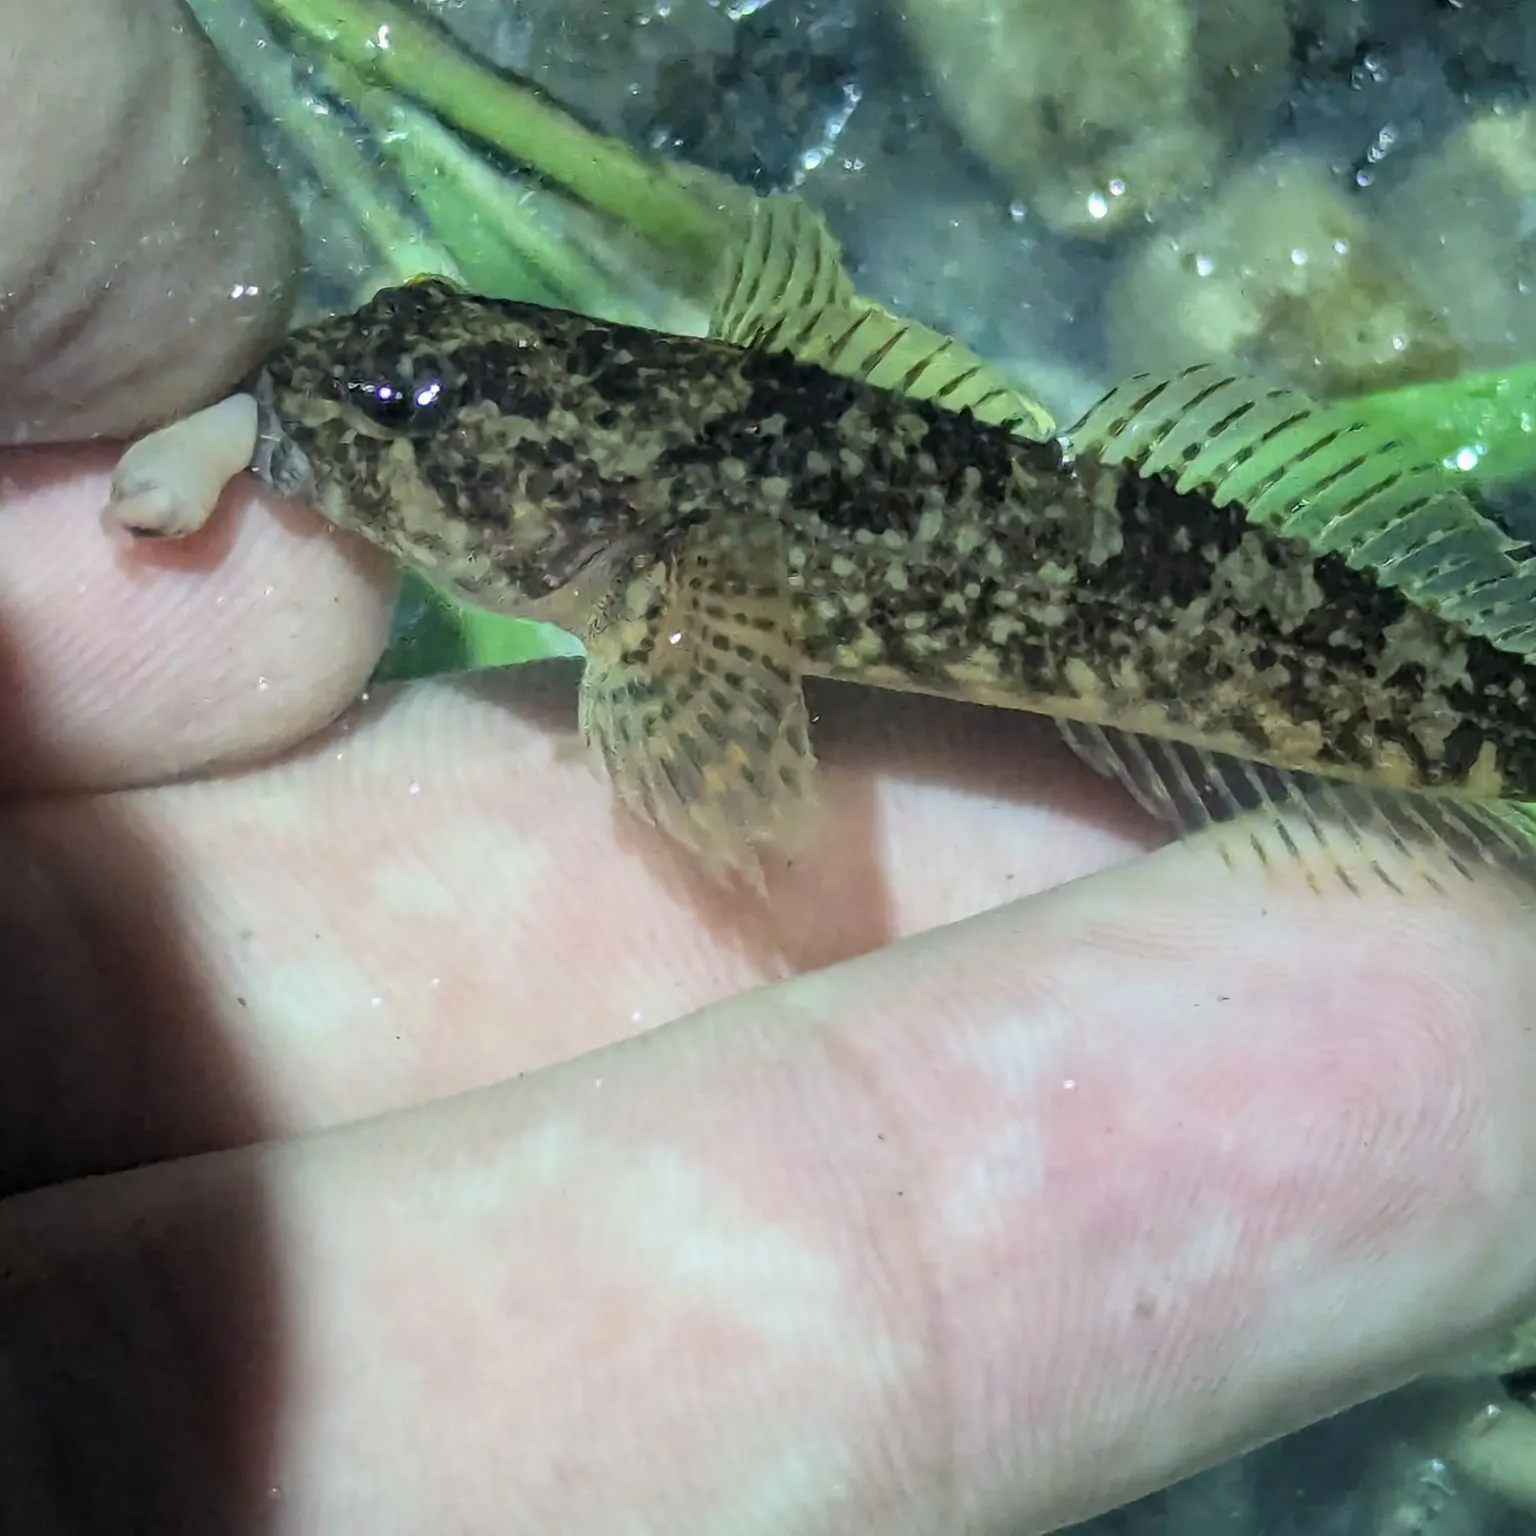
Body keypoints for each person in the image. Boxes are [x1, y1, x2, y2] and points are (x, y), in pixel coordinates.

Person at [3, 3, 1536, 1532]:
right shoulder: (653, 486)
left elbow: (736, 791)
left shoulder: (668, 577)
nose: (343, 401)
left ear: (556, 497)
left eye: (398, 411)